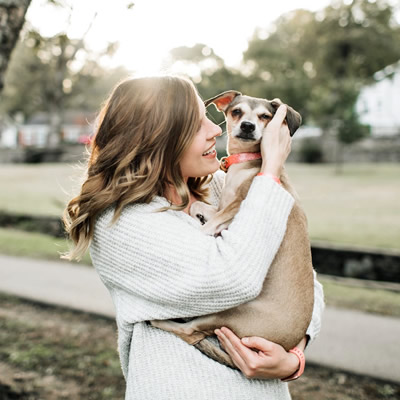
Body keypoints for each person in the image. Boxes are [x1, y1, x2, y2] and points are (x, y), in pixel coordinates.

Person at [63, 75, 324, 400]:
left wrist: (293, 357)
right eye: (197, 123)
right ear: (159, 138)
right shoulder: (121, 223)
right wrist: (269, 172)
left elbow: (304, 280)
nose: (216, 128)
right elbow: (232, 278)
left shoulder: (219, 187)